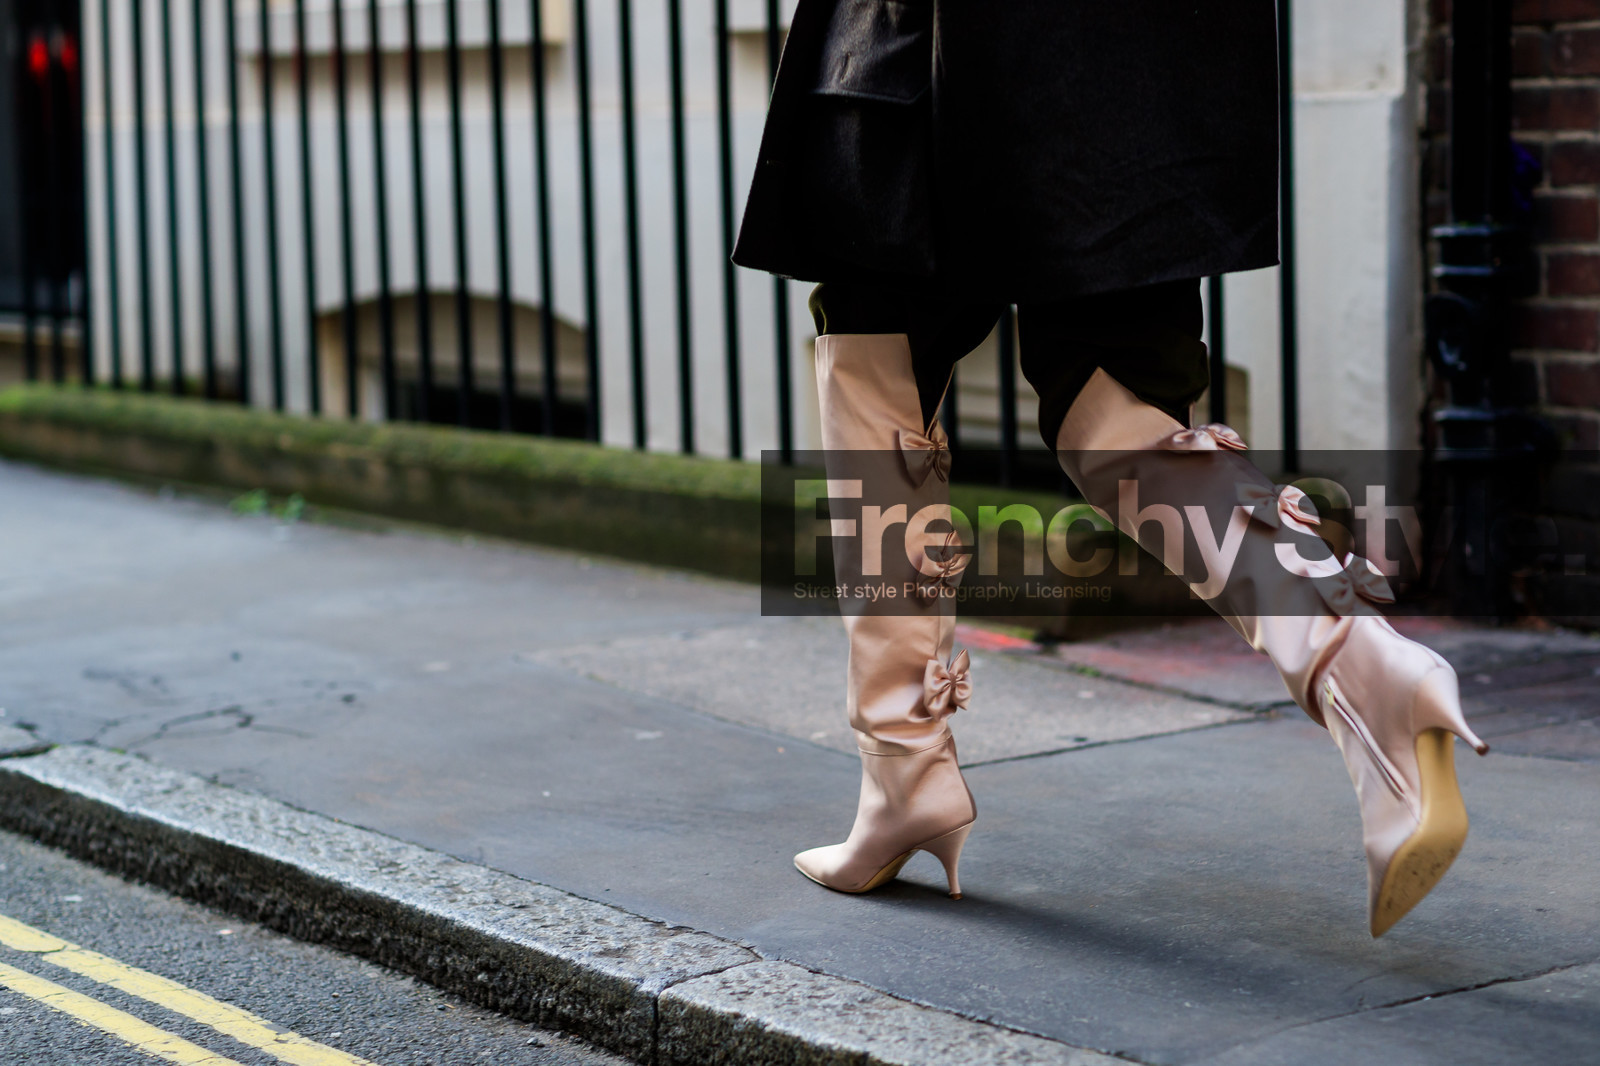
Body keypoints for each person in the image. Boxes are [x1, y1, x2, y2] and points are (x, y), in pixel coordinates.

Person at [732, 0, 1489, 937]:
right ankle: (1363, 666)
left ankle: (903, 771)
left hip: (920, 44)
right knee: (1122, 409)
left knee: (874, 358)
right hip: (1136, 51)